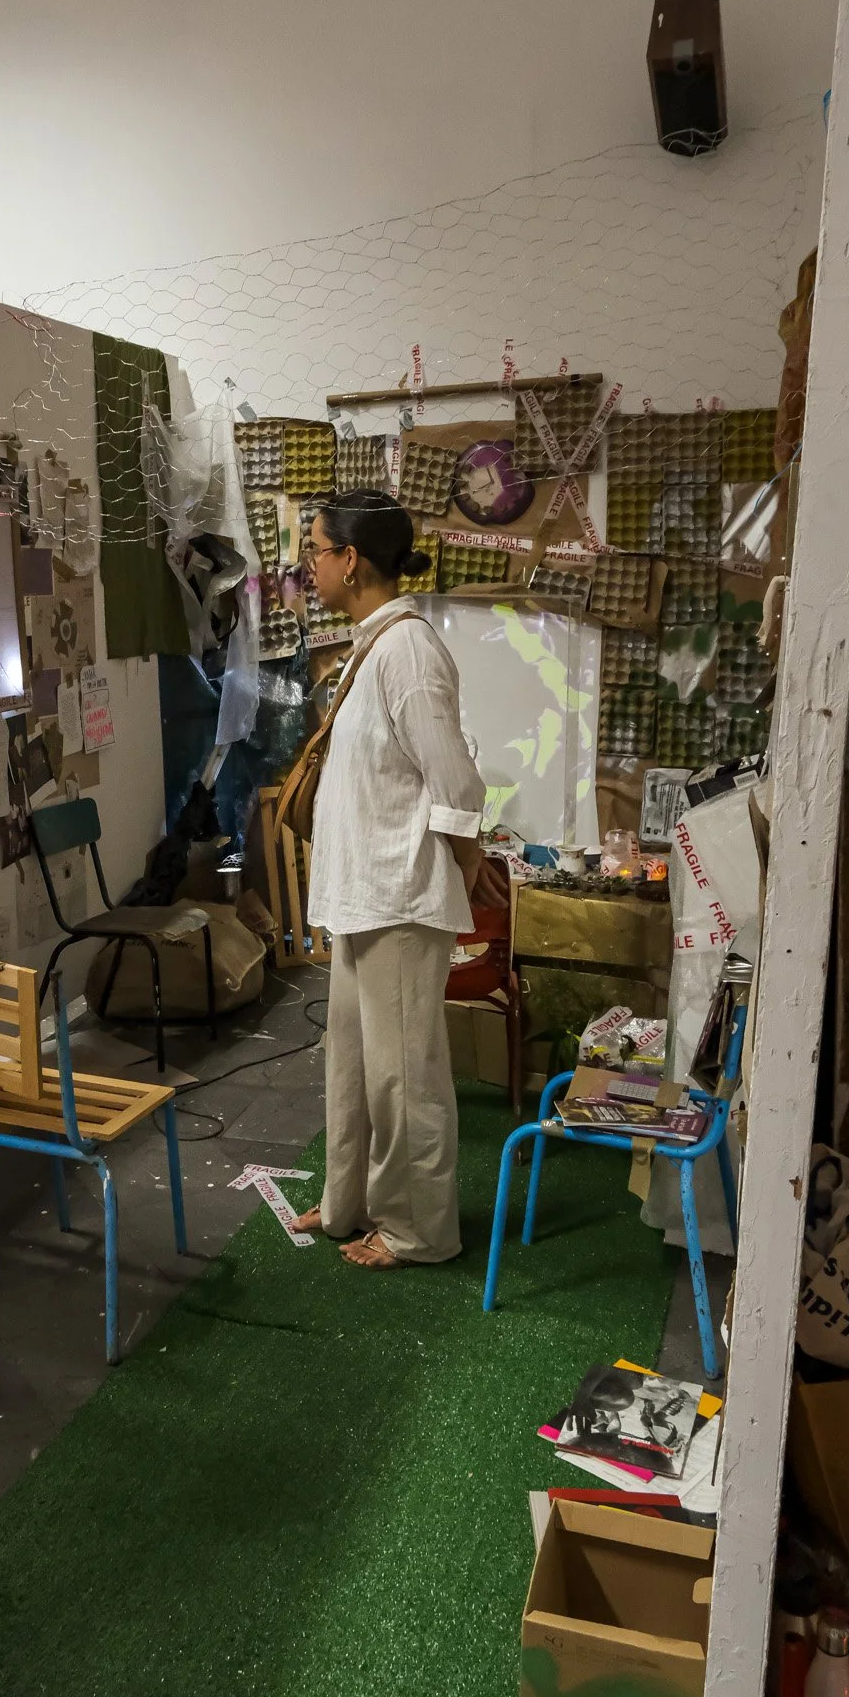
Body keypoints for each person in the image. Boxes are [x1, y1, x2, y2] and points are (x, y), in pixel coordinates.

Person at [288, 490, 486, 1270]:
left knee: (406, 1081)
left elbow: (455, 782)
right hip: (363, 895)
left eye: (314, 551)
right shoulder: (373, 644)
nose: (307, 567)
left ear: (351, 560)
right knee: (353, 1068)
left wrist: (461, 868)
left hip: (399, 896)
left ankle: (418, 1230)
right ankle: (349, 1203)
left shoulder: (407, 650)